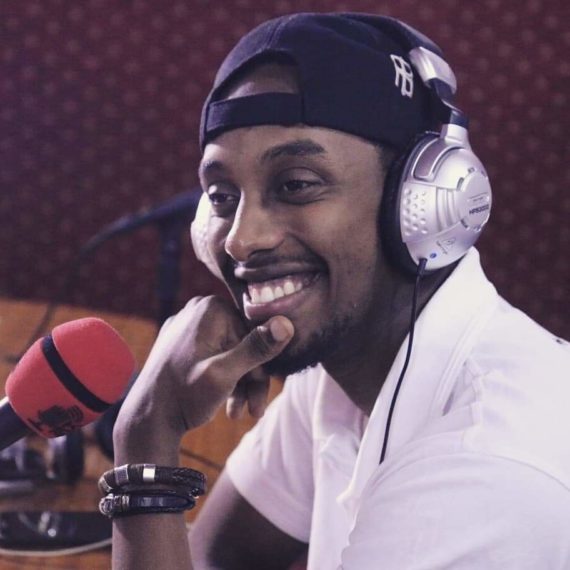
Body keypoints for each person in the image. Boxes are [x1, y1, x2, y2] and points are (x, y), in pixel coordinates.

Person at [108, 13, 570, 569]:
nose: (241, 240)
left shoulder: (488, 468)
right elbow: (217, 559)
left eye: (296, 185)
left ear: (424, 202)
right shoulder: (343, 361)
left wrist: (148, 432)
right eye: (223, 196)